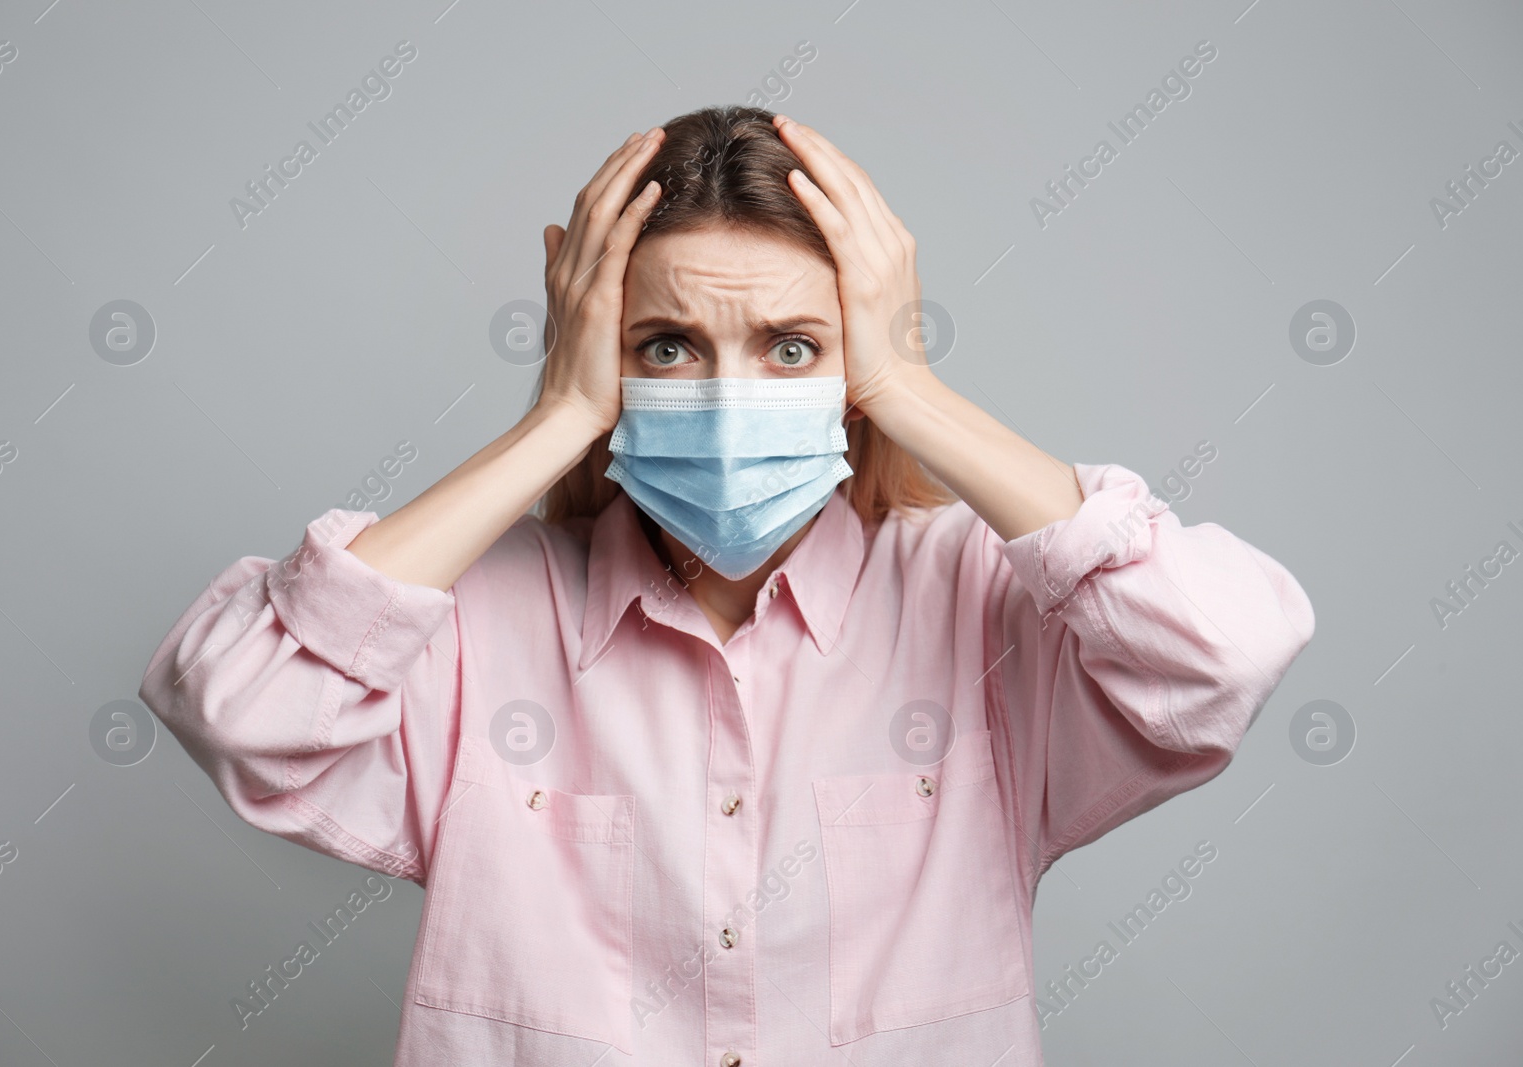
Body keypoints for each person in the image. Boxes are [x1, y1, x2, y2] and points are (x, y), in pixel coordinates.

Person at [138, 105, 1315, 1067]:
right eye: (668, 344)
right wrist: (555, 416)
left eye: (791, 347)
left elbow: (1220, 654)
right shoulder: (471, 619)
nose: (726, 392)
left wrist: (904, 381)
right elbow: (242, 711)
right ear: (600, 350)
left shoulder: (986, 605)